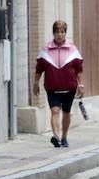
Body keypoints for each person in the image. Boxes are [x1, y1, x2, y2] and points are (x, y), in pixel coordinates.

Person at [35, 20, 84, 148]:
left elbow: (79, 70)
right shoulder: (45, 50)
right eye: (57, 32)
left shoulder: (73, 50)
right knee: (55, 111)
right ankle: (56, 136)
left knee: (66, 112)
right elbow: (39, 69)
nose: (59, 35)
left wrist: (81, 85)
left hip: (69, 88)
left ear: (65, 33)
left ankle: (64, 137)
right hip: (52, 88)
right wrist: (36, 83)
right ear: (53, 33)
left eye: (62, 32)